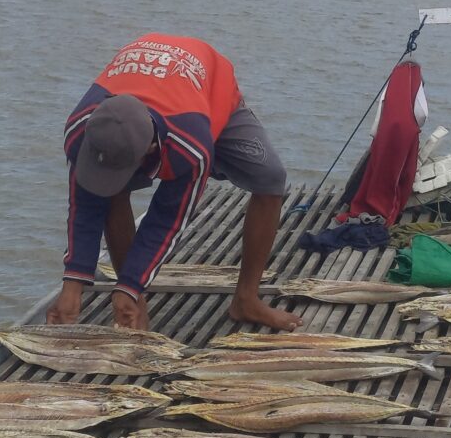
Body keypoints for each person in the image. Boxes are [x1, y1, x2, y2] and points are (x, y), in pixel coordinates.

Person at [51, 32, 300, 334]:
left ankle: (246, 299)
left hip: (209, 89)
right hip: (149, 82)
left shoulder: (191, 146)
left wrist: (129, 284)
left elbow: (167, 221)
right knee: (111, 191)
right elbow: (86, 203)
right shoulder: (83, 130)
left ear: (151, 150)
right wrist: (72, 282)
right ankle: (135, 304)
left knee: (271, 178)